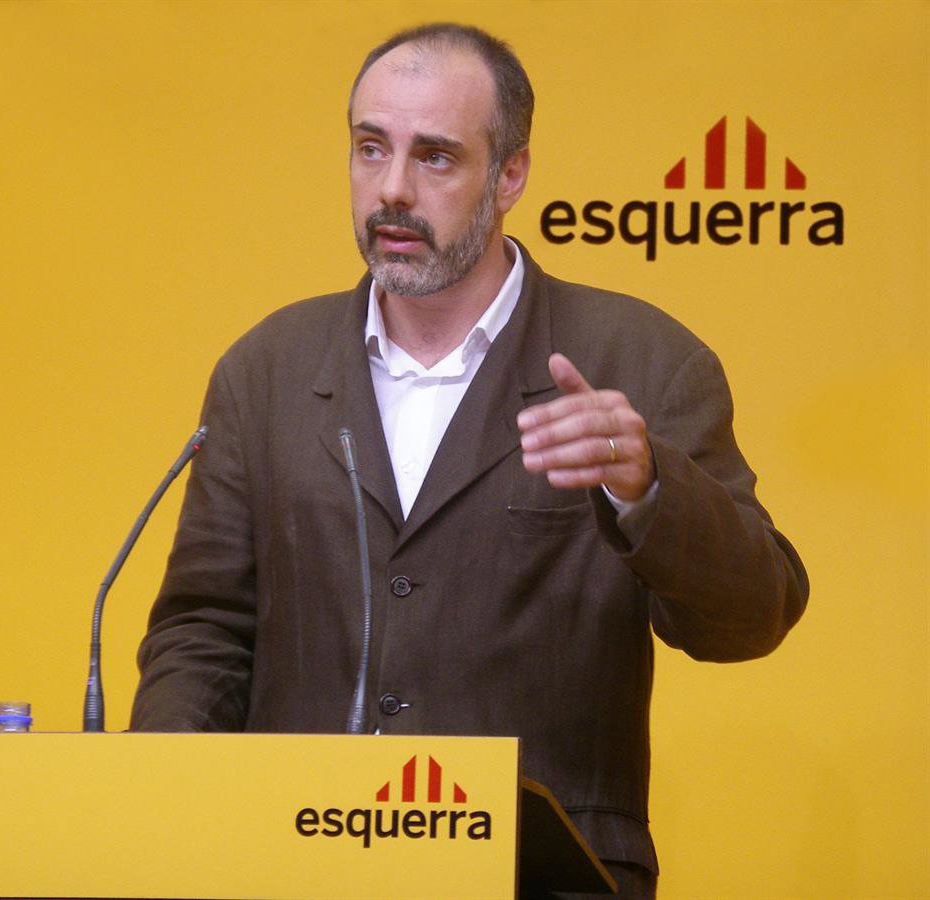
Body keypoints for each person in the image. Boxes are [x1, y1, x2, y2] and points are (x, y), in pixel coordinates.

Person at [130, 23, 808, 899]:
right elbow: (202, 630)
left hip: (541, 872)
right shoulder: (267, 369)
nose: (392, 189)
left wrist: (647, 489)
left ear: (510, 175)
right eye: (370, 149)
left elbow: (752, 618)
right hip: (293, 866)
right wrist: (163, 809)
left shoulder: (642, 361)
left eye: (436, 157)